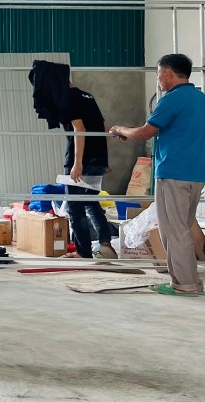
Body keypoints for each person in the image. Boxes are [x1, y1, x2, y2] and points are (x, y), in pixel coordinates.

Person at [109, 53, 205, 295]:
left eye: (159, 73)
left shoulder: (171, 99)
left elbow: (145, 132)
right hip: (196, 173)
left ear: (169, 74)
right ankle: (190, 282)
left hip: (173, 172)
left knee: (173, 230)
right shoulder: (200, 99)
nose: (159, 79)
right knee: (182, 226)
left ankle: (185, 284)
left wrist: (120, 129)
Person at [61, 79, 114, 259]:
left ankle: (82, 252)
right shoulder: (87, 96)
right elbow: (104, 128)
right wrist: (103, 160)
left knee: (74, 206)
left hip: (81, 161)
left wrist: (77, 163)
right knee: (91, 202)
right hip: (97, 159)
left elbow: (79, 129)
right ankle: (105, 243)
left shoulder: (68, 98)